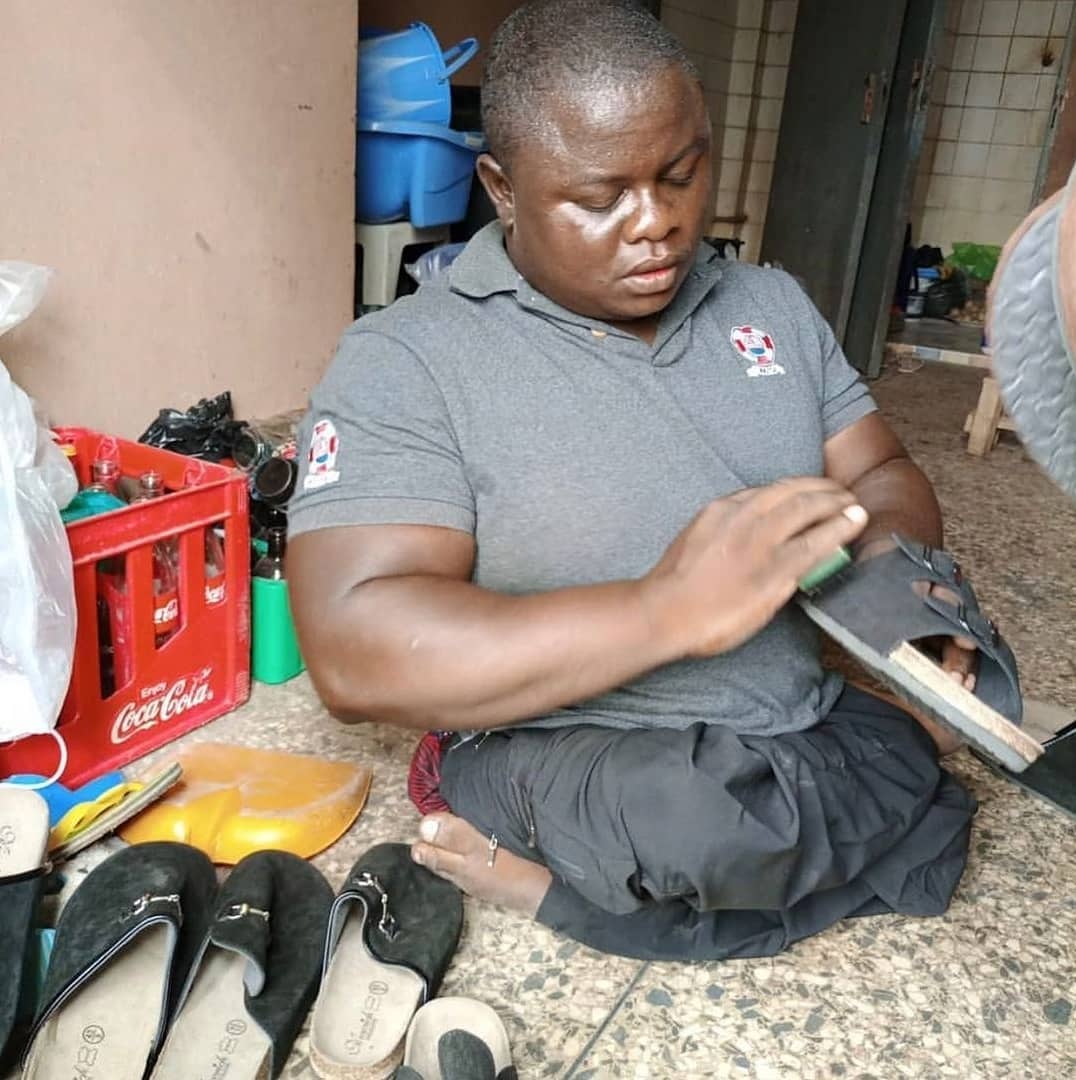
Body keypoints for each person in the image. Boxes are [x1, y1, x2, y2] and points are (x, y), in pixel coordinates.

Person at [288, 0, 978, 961]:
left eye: (681, 173)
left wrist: (900, 586)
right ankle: (571, 889)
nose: (657, 223)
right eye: (599, 196)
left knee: (940, 768)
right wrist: (667, 608)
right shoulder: (409, 358)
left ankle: (617, 882)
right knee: (709, 823)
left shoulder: (767, 304)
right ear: (502, 186)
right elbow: (353, 651)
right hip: (575, 741)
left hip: (789, 713)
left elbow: (881, 467)